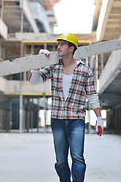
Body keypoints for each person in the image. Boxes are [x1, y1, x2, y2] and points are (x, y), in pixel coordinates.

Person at [29, 33, 103, 182]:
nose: (58, 47)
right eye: (59, 44)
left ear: (71, 48)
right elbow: (34, 81)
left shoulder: (85, 71)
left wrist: (99, 118)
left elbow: (92, 96)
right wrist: (37, 62)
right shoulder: (53, 68)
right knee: (61, 161)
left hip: (76, 120)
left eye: (62, 44)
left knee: (78, 158)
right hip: (57, 120)